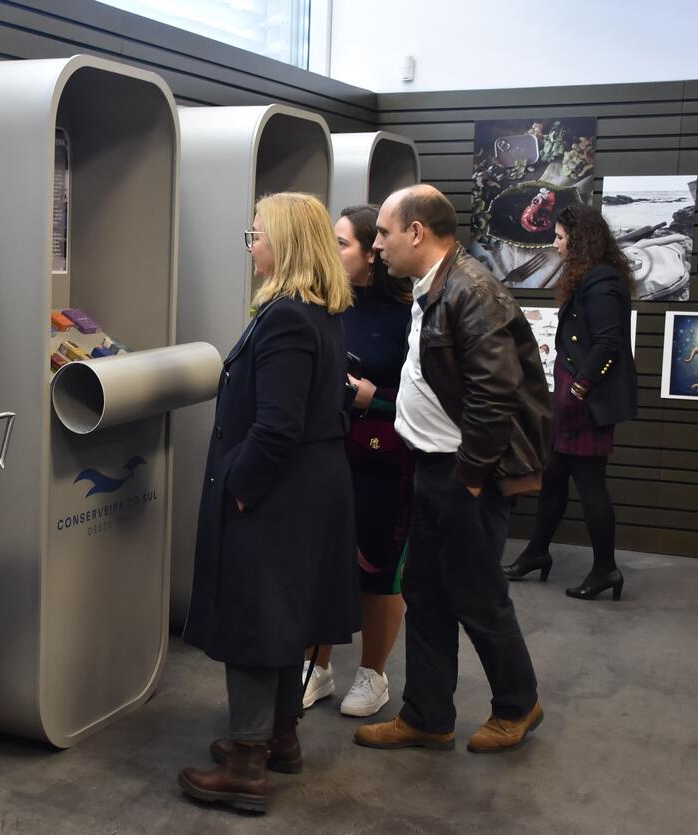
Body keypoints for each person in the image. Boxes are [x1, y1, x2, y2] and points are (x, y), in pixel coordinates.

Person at [353, 185, 552, 755]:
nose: (377, 245)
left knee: (478, 595)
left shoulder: (471, 290)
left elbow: (495, 393)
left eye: (384, 232)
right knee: (426, 592)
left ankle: (517, 705)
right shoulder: (435, 287)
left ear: (416, 232)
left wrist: (470, 477)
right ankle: (427, 716)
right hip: (433, 469)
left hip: (464, 475)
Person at [179, 192, 358, 813]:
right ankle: (280, 737)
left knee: (255, 619)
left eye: (257, 234)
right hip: (309, 489)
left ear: (285, 244)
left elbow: (277, 426)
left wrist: (239, 487)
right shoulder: (320, 310)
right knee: (286, 615)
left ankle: (247, 765)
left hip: (277, 494)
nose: (251, 245)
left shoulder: (285, 317)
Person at [301, 205, 413, 719]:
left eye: (342, 242)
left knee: (379, 571)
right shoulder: (324, 305)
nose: (331, 250)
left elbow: (428, 396)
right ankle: (316, 668)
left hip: (384, 460)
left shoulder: (408, 315)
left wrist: (376, 399)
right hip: (326, 454)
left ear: (372, 252)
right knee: (320, 562)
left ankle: (373, 674)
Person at [504, 205, 638, 601]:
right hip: (574, 391)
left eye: (561, 237)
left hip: (585, 397)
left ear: (581, 241)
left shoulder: (602, 281)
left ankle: (606, 569)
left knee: (591, 484)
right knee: (554, 476)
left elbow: (608, 343)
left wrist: (579, 389)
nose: (556, 243)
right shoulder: (592, 276)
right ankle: (536, 553)